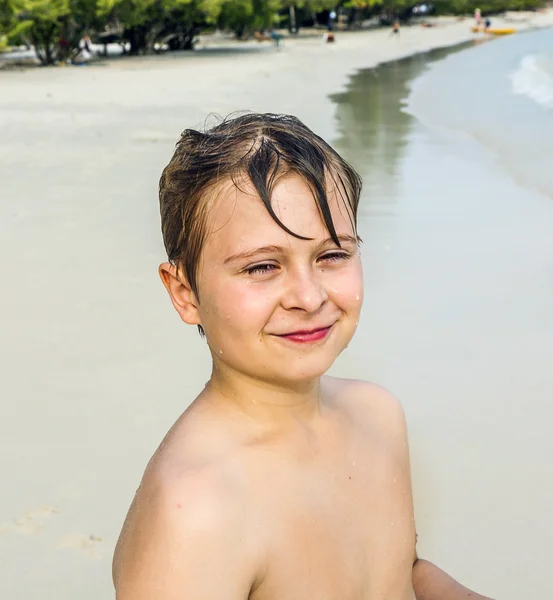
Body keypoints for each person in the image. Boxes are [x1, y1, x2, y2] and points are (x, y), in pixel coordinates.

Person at [112, 113, 495, 600]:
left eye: (332, 255)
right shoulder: (197, 508)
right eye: (262, 266)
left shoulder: (377, 416)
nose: (308, 296)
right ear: (185, 291)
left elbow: (402, 574)